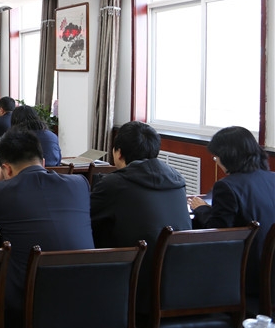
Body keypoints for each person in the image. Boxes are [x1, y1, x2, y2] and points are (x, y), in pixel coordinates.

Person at [0, 129, 93, 328]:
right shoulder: (79, 184)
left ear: (6, 169)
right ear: (43, 162)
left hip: (29, 309)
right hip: (89, 302)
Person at [90, 121, 192, 313]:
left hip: (132, 285)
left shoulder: (114, 184)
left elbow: (85, 219)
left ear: (118, 153)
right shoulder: (178, 179)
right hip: (179, 284)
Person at [190, 126, 275, 309]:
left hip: (247, 273)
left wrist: (201, 209)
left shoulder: (227, 186)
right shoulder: (272, 178)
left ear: (227, 156)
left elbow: (218, 231)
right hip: (271, 272)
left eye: (216, 157)